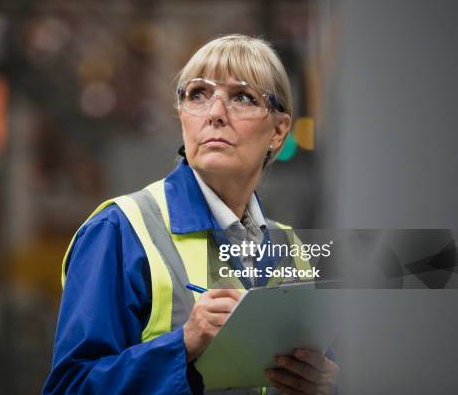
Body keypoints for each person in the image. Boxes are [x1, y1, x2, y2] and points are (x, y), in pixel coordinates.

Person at [42, 34, 339, 395]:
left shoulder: (297, 253)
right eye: (197, 95)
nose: (215, 113)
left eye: (242, 97)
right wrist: (182, 345)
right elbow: (70, 388)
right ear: (183, 116)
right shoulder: (120, 232)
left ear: (278, 131)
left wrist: (330, 386)